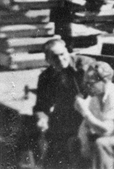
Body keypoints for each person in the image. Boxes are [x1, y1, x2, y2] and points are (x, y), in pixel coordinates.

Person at [21, 37, 95, 168]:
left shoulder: (85, 66)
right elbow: (41, 106)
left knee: (72, 144)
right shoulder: (46, 77)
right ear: (48, 60)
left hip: (88, 112)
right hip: (64, 115)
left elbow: (97, 93)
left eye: (62, 54)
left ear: (68, 51)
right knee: (33, 131)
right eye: (55, 57)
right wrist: (42, 119)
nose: (60, 59)